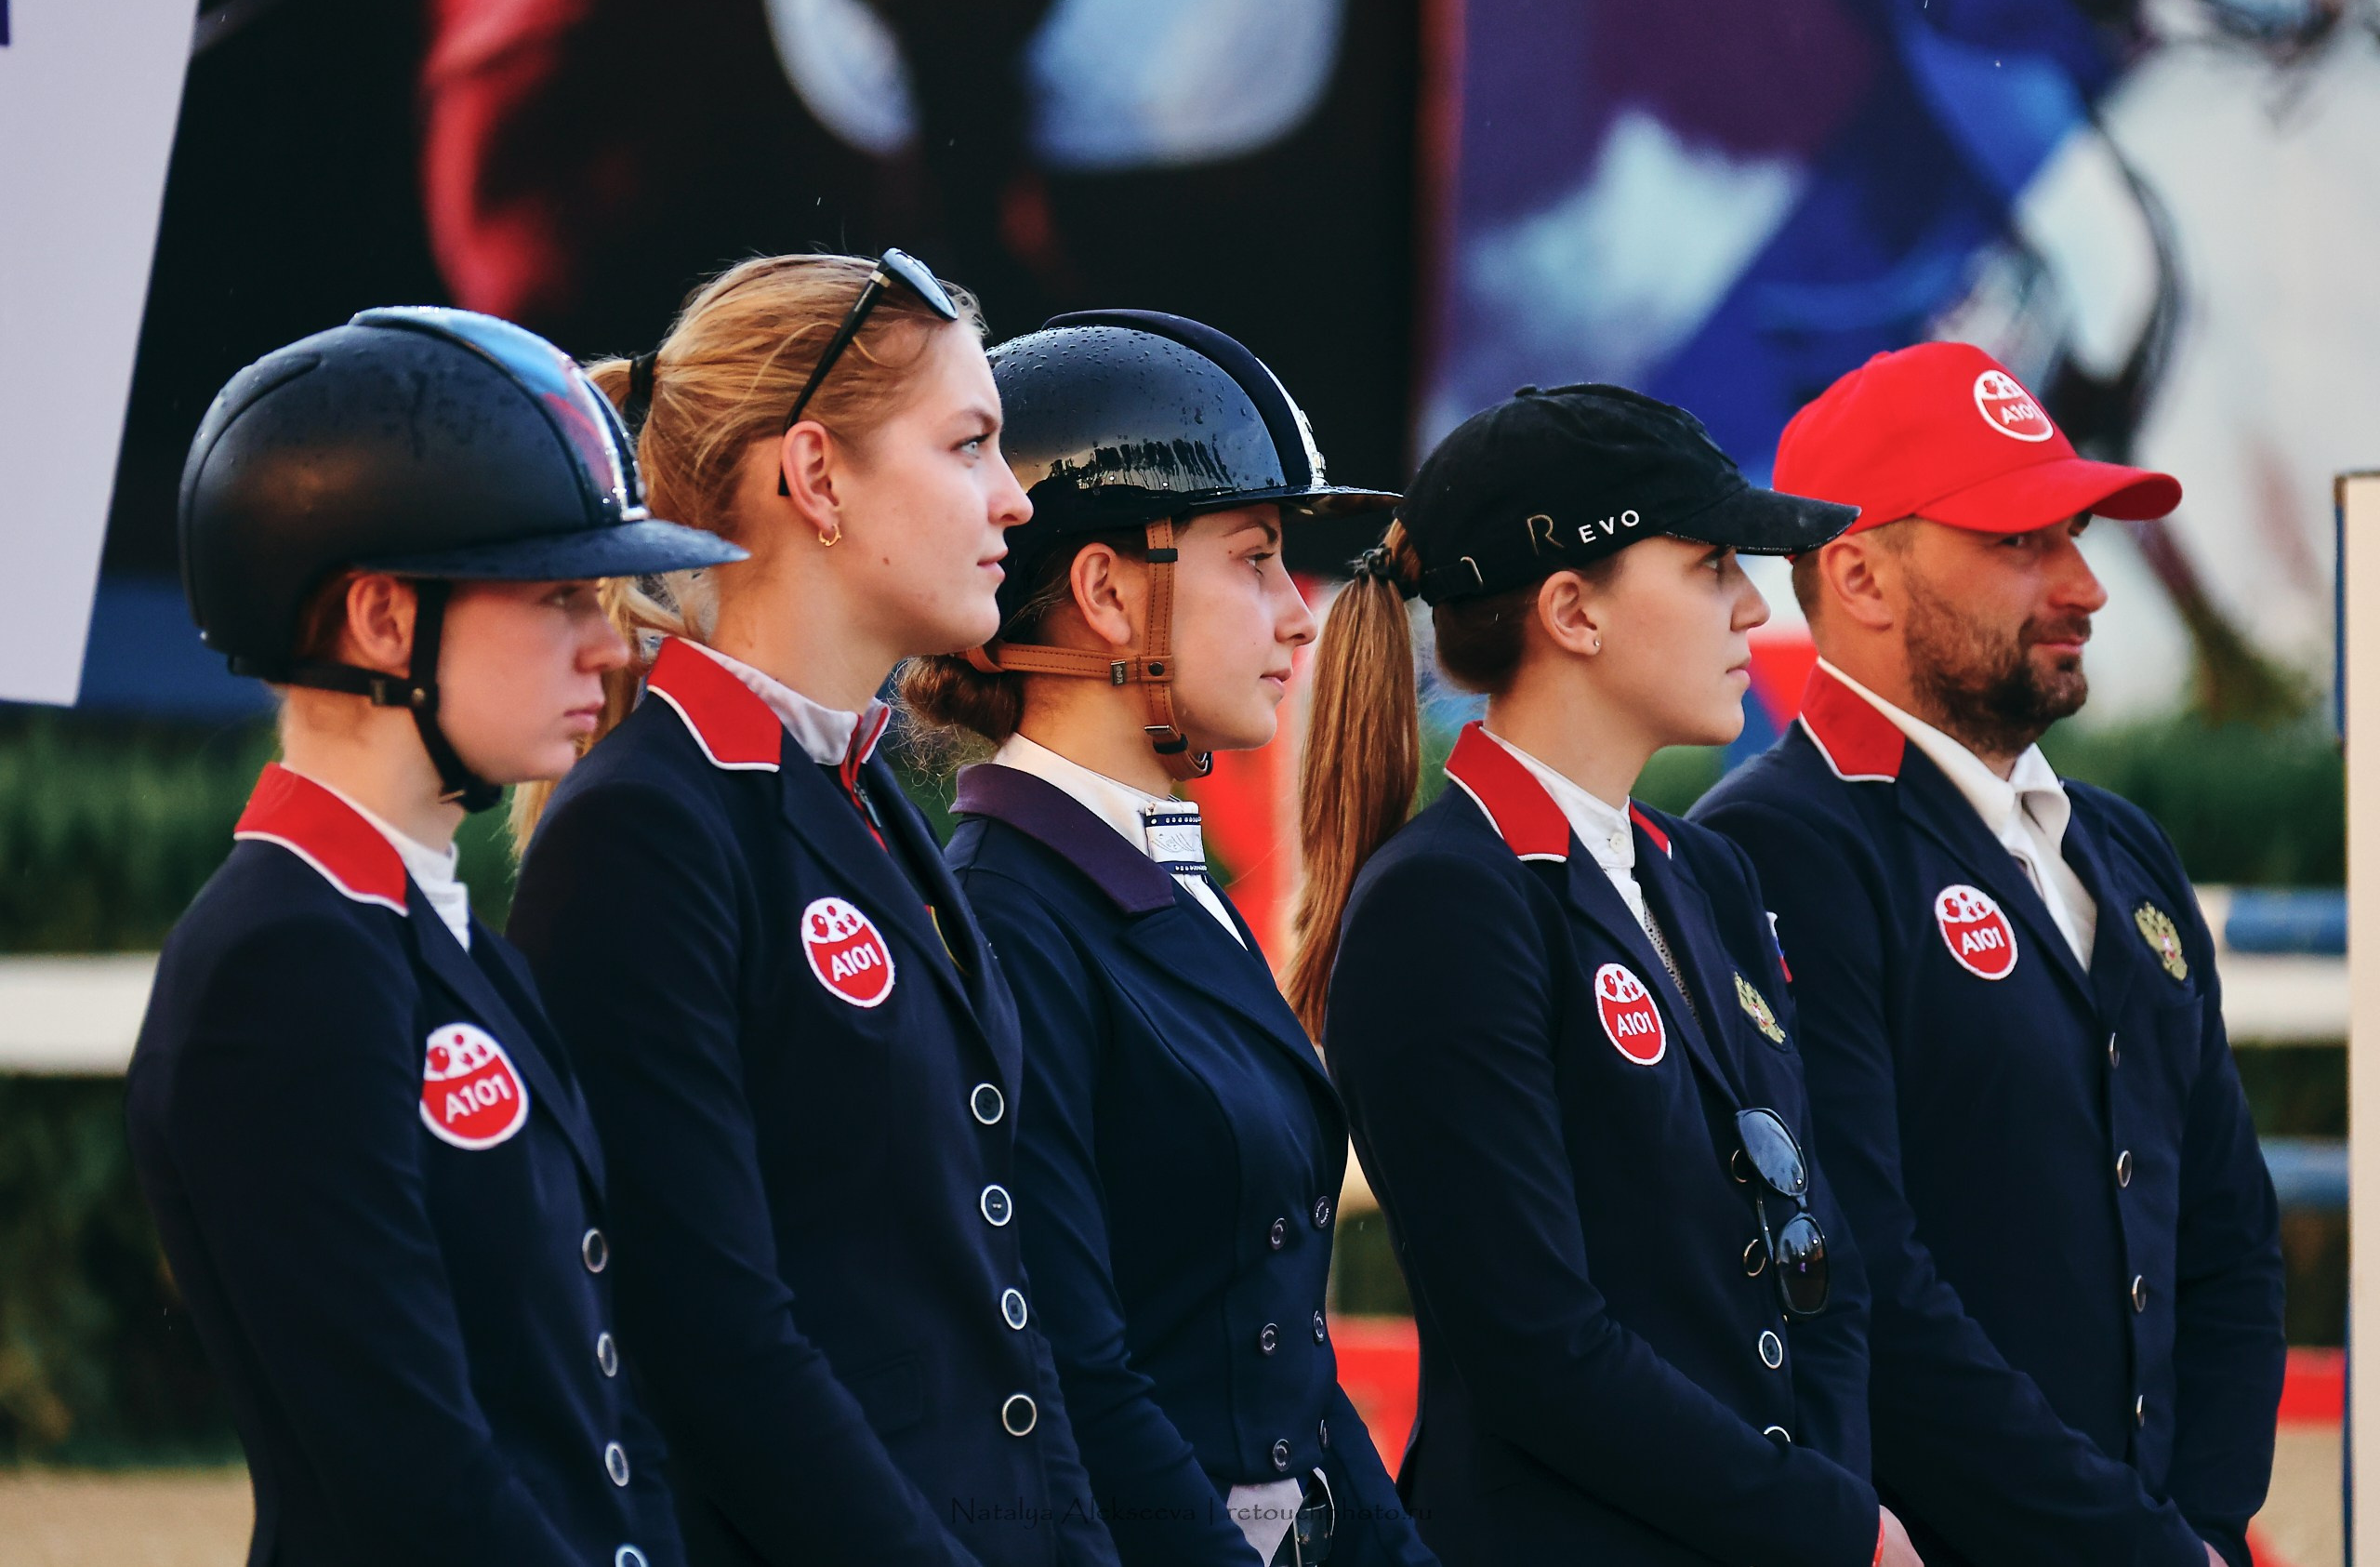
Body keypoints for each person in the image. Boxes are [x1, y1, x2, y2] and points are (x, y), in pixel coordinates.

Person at [504, 252, 1118, 1567]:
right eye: (970, 444)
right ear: (817, 476)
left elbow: (1000, 1320)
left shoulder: (866, 793)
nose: (1015, 499)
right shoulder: (645, 826)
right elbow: (713, 1339)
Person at [127, 307, 746, 1566]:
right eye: (560, 591)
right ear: (382, 621)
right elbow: (412, 1468)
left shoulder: (428, 930)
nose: (614, 639)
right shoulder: (281, 964)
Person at [1289, 383, 1916, 1567]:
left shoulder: (1707, 872)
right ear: (1573, 611)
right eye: (1710, 564)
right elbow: (1538, 1343)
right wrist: (1833, 1527)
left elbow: (1813, 1252)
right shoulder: (1446, 903)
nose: (1748, 606)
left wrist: (1832, 1508)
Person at [1692, 343, 2286, 1567]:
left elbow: (2227, 1234)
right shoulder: (1776, 841)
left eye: (2074, 533)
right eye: (2022, 541)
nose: (2086, 585)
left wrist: (2210, 1525)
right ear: (1858, 573)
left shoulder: (2121, 845)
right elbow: (1862, 1279)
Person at [902, 311, 1438, 1567]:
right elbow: (1079, 1374)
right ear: (1102, 591)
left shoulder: (1149, 873)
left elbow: (1284, 1359)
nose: (1298, 616)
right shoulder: (1011, 917)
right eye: (1252, 559)